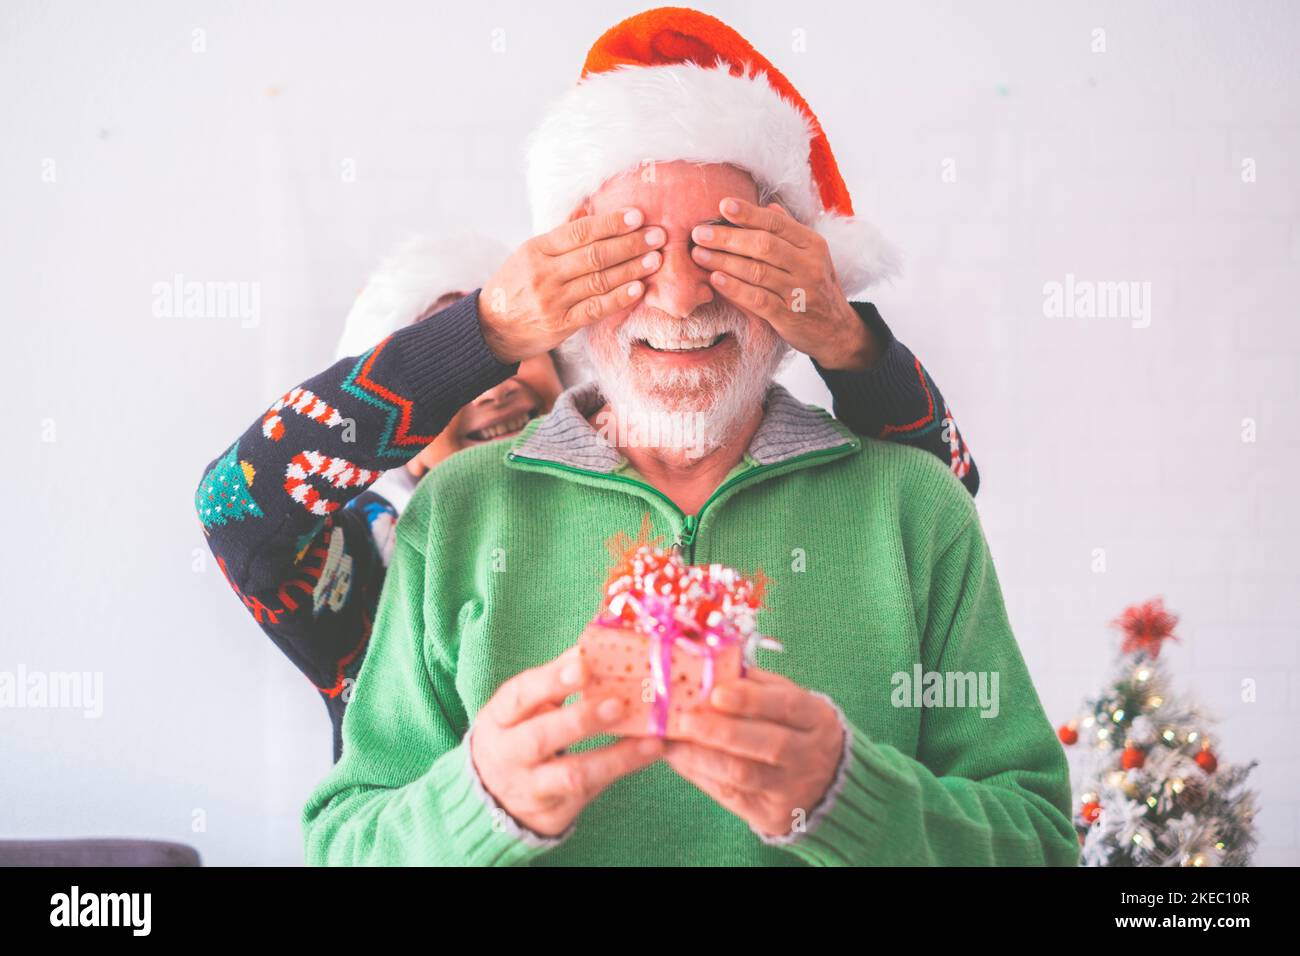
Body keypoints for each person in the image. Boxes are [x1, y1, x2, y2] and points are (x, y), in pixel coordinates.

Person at [300, 9, 1076, 866]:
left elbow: (1041, 845)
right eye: (629, 252)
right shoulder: (456, 510)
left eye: (726, 249)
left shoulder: (916, 508)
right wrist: (476, 806)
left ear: (799, 277)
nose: (678, 297)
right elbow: (345, 846)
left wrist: (854, 799)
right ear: (567, 281)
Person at [199, 234, 977, 762]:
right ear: (396, 433)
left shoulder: (673, 484)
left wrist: (844, 338)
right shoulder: (375, 553)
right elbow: (236, 506)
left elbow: (943, 489)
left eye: (515, 356)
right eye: (460, 374)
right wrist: (484, 330)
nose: (496, 385)